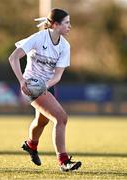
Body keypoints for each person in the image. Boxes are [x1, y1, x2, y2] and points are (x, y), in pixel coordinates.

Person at [9, 8, 81, 172]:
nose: (70, 26)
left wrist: (45, 86)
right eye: (67, 23)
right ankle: (64, 161)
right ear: (56, 25)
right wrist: (22, 81)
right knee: (61, 118)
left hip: (46, 86)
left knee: (43, 121)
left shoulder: (64, 46)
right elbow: (13, 58)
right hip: (30, 86)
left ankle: (30, 144)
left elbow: (57, 76)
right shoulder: (38, 38)